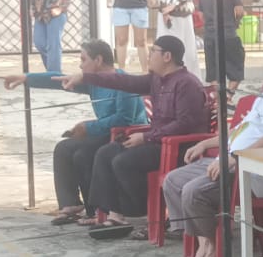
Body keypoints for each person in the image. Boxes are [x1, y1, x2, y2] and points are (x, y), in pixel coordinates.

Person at [162, 40, 263, 257]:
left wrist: (235, 157)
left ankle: (214, 252)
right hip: (233, 161)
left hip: (258, 173)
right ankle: (204, 245)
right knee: (173, 181)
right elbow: (240, 130)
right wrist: (207, 144)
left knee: (194, 191)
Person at [62, 35, 209, 239]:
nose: (148, 55)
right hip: (156, 140)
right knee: (106, 153)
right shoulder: (155, 79)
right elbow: (124, 81)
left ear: (167, 56)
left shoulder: (187, 83)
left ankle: (141, 210)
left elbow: (184, 124)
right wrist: (86, 77)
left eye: (153, 51)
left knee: (123, 161)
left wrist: (147, 137)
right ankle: (115, 216)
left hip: (178, 147)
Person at [1, 40, 146, 226]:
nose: (80, 65)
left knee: (83, 154)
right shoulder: (94, 82)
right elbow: (59, 80)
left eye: (83, 59)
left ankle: (96, 210)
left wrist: (88, 127)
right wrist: (25, 78)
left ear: (98, 60)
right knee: (63, 148)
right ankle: (70, 205)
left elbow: (124, 119)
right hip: (104, 133)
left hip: (126, 136)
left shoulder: (122, 81)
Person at [198, 0, 246, 86]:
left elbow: (201, 16)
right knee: (236, 71)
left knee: (213, 73)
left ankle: (218, 96)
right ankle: (229, 95)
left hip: (210, 37)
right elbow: (239, 11)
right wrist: (236, 21)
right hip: (229, 35)